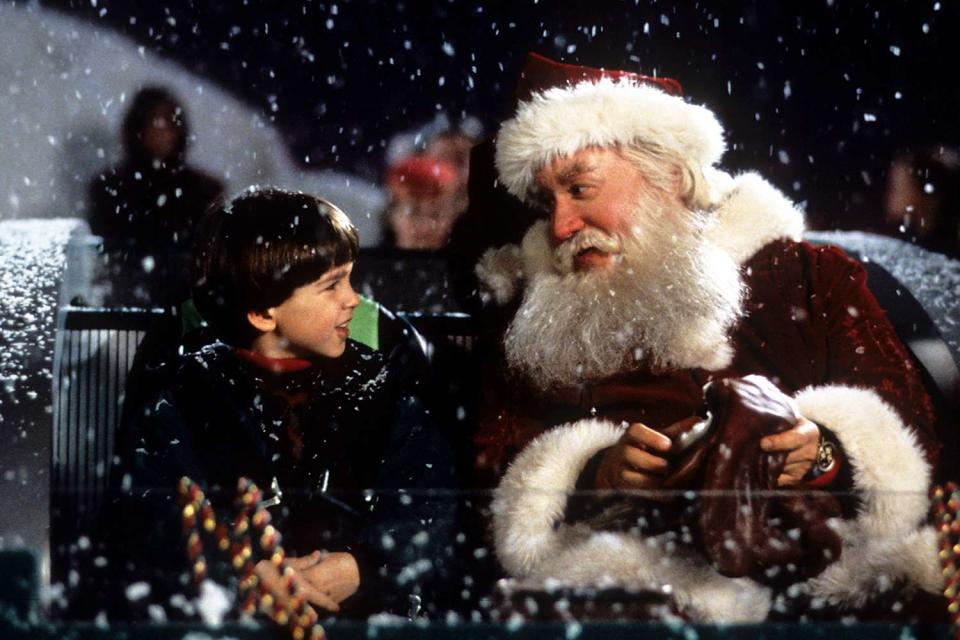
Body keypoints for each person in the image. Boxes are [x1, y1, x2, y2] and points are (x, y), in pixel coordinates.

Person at [473, 53, 944, 621]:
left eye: (580, 188)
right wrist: (598, 471)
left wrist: (818, 451)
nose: (561, 224)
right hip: (627, 610)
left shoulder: (807, 278)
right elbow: (491, 459)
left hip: (817, 605)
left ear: (667, 175)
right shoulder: (542, 312)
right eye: (548, 201)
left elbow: (913, 427)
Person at [101, 188, 454, 620]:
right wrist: (239, 573)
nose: (354, 300)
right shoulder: (186, 393)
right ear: (263, 314)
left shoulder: (387, 384)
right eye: (331, 286)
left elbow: (431, 503)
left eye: (349, 278)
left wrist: (365, 565)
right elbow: (149, 516)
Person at [88, 86, 223, 305]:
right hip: (125, 305)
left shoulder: (205, 190)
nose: (161, 133)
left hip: (186, 309)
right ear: (137, 129)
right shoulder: (108, 188)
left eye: (168, 124)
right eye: (153, 123)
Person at [882, 145, 960, 259]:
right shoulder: (911, 242)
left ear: (922, 193)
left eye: (896, 188)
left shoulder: (933, 255)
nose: (888, 195)